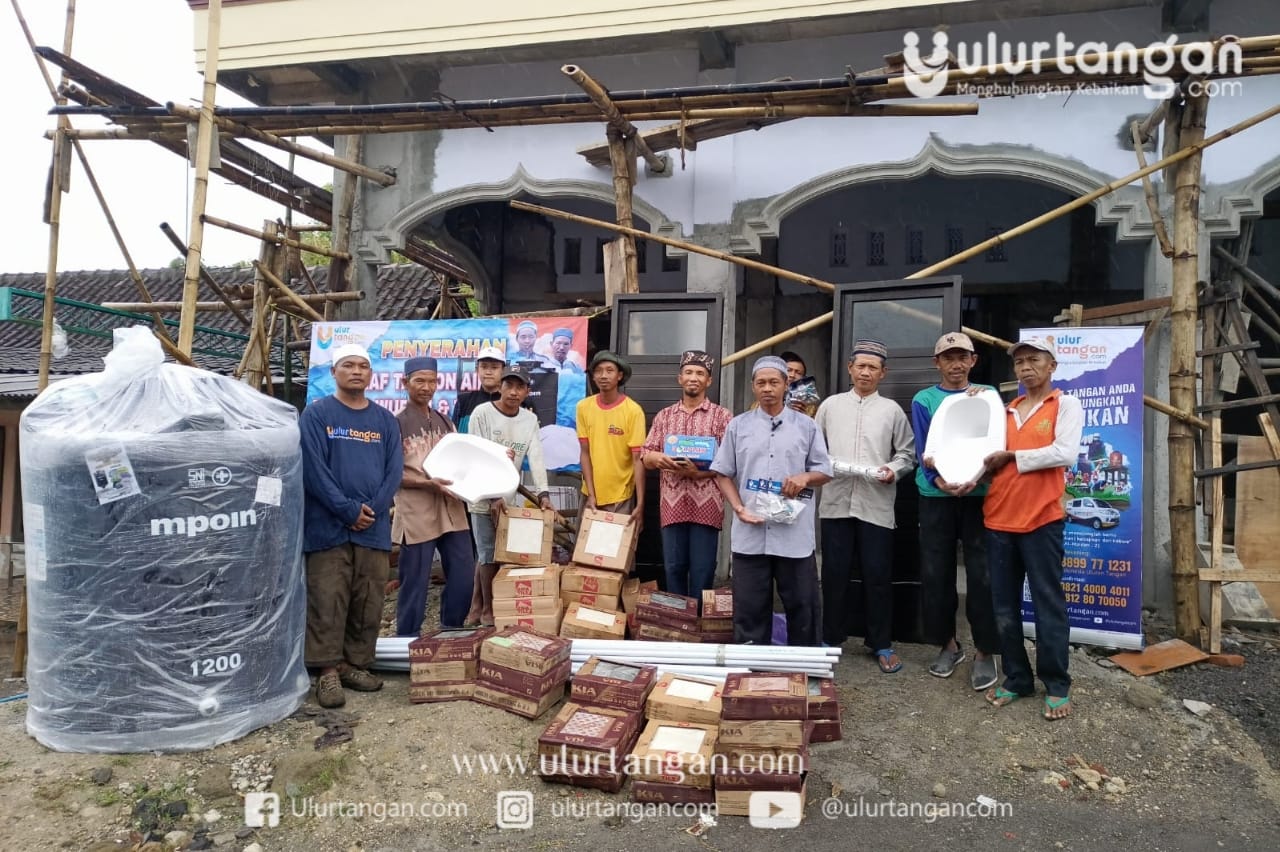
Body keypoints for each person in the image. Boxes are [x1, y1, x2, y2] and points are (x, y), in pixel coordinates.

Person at [970, 338, 1084, 720]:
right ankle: (1018, 678)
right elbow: (983, 462)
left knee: (1049, 604)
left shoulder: (1065, 405)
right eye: (1019, 362)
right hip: (998, 519)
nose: (1025, 367)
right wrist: (957, 471)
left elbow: (1065, 452)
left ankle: (1056, 684)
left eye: (1034, 360)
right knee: (1003, 605)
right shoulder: (1004, 412)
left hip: (1041, 521)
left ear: (1052, 366)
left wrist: (1012, 457)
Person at [300, 343, 403, 708]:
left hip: (372, 528)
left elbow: (393, 472)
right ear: (334, 372)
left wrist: (371, 510)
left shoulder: (384, 421)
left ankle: (355, 664)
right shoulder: (316, 414)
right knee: (327, 597)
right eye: (348, 365)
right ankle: (326, 672)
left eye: (363, 366)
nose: (357, 371)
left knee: (368, 598)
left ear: (371, 374)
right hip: (328, 526)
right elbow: (313, 470)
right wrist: (346, 510)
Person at [711, 355, 833, 645]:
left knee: (802, 605)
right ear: (753, 386)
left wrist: (804, 477)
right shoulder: (738, 426)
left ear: (786, 384)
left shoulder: (806, 426)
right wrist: (738, 507)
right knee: (750, 608)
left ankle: (804, 669)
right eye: (761, 382)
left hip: (794, 534)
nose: (768, 388)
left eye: (774, 382)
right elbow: (723, 473)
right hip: (751, 532)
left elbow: (824, 470)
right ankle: (753, 673)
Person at [815, 340, 915, 671]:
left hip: (876, 504)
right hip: (836, 503)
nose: (866, 372)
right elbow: (814, 450)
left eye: (873, 368)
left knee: (877, 575)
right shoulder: (830, 406)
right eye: (861, 366)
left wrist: (894, 470)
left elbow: (907, 454)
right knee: (833, 573)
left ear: (883, 373)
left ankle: (881, 643)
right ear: (850, 368)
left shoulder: (891, 411)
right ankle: (831, 638)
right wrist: (823, 466)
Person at [911, 332, 1000, 690]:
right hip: (936, 496)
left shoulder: (988, 395)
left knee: (983, 574)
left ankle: (985, 650)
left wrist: (978, 477)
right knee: (936, 573)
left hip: (979, 495)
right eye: (948, 358)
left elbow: (996, 443)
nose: (956, 364)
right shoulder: (924, 400)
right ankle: (947, 644)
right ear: (937, 363)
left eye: (962, 357)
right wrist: (940, 479)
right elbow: (925, 447)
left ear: (973, 360)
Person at [464, 366, 554, 626]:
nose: (514, 392)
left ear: (527, 391)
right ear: (500, 387)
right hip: (482, 494)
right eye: (509, 386)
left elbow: (536, 457)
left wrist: (544, 494)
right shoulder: (482, 414)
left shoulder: (528, 420)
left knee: (493, 554)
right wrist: (492, 496)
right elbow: (477, 456)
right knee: (488, 552)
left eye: (520, 387)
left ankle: (477, 607)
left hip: (508, 498)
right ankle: (488, 611)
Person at [641, 350, 733, 603]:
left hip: (708, 506)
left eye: (700, 373)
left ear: (709, 381)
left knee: (703, 572)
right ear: (680, 378)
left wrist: (700, 472)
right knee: (673, 568)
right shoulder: (664, 416)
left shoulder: (722, 416)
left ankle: (700, 628)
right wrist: (659, 459)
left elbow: (730, 461)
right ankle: (678, 626)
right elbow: (646, 455)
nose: (694, 378)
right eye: (689, 372)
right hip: (672, 505)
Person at [392, 356, 474, 636]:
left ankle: (451, 629)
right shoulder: (396, 423)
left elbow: (463, 461)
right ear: (405, 383)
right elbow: (392, 474)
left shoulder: (445, 422)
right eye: (419, 381)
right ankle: (406, 639)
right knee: (415, 580)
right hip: (417, 510)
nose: (426, 387)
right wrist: (428, 484)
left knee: (464, 573)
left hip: (451, 507)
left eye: (432, 381)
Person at [577, 351, 647, 551]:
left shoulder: (633, 411)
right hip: (589, 494)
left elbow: (637, 459)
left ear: (620, 376)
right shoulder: (584, 407)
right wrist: (591, 494)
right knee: (586, 555)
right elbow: (585, 452)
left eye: (609, 370)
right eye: (598, 371)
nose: (603, 375)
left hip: (621, 496)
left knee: (615, 557)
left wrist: (640, 504)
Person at [453, 345, 507, 434]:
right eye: (484, 367)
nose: (488, 372)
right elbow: (454, 436)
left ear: (504, 370)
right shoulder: (463, 401)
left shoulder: (511, 401)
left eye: (494, 367)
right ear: (477, 370)